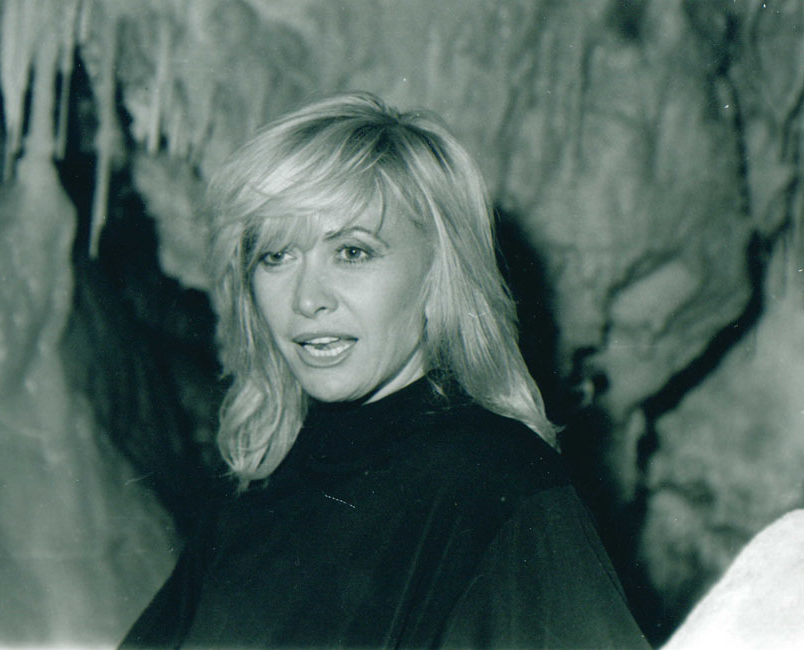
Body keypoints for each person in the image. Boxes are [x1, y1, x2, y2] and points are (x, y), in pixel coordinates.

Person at [121, 92, 649, 649]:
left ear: (437, 274)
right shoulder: (258, 495)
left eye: (352, 252)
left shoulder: (498, 482)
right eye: (276, 256)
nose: (306, 299)